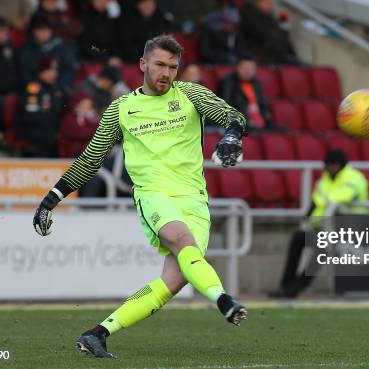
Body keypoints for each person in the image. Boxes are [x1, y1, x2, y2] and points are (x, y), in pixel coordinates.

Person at [32, 34, 248, 358]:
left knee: (172, 282)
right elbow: (90, 160)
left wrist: (232, 135)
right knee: (182, 240)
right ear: (143, 64)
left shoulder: (190, 94)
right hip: (154, 195)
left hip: (194, 198)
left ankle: (98, 334)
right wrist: (51, 199)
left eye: (173, 67)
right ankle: (223, 300)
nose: (167, 73)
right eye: (160, 65)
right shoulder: (121, 109)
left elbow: (235, 117)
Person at [269, 149, 369, 298]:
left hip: (352, 229)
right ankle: (286, 285)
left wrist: (327, 201)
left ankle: (297, 287)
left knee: (323, 248)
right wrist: (308, 218)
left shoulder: (354, 178)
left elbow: (343, 197)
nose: (326, 169)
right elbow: (316, 201)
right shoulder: (326, 180)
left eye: (328, 165)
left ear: (336, 165)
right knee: (298, 238)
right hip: (327, 228)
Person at [16, 57, 64, 157]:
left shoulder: (56, 89)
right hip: (32, 129)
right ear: (41, 72)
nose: (53, 74)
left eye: (55, 70)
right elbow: (30, 115)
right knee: (47, 137)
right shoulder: (33, 88)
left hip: (50, 129)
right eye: (49, 70)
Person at [18, 15, 78, 94]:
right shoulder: (26, 50)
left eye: (47, 30)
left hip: (58, 87)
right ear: (34, 31)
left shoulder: (59, 45)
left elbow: (70, 69)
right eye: (41, 30)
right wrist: (40, 77)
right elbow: (23, 76)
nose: (44, 33)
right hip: (35, 89)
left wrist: (59, 82)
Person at [217, 53, 274, 131]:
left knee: (282, 133)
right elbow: (226, 106)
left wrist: (267, 118)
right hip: (241, 124)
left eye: (251, 69)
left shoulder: (256, 83)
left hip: (260, 122)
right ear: (238, 68)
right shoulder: (228, 83)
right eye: (245, 68)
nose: (248, 71)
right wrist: (247, 120)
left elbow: (262, 104)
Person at [240, 0, 299, 64]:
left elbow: (281, 35)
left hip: (274, 53)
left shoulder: (270, 17)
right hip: (259, 53)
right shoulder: (249, 14)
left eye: (271, 3)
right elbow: (262, 33)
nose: (269, 5)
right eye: (267, 3)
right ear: (258, 3)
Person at [58, 92, 99, 158]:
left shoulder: (91, 117)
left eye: (89, 105)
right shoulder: (70, 118)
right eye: (83, 104)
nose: (86, 107)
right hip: (71, 154)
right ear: (77, 104)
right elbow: (80, 133)